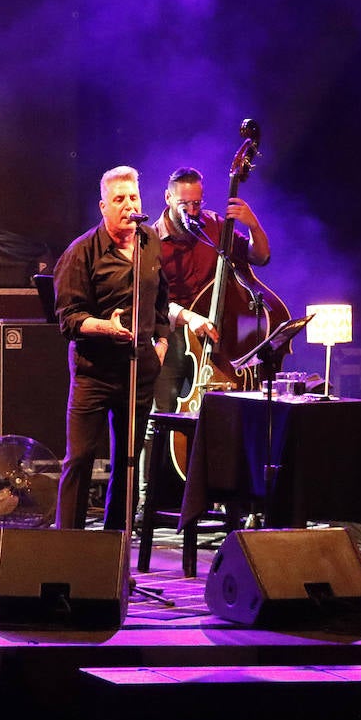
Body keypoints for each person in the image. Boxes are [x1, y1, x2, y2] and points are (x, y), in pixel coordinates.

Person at [52, 165, 173, 531]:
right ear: (103, 206)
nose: (127, 205)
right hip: (94, 373)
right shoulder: (81, 253)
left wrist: (163, 341)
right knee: (81, 457)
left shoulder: (150, 240)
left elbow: (161, 299)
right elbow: (68, 319)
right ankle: (66, 548)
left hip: (139, 371)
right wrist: (106, 327)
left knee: (129, 461)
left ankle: (114, 552)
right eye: (118, 199)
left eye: (132, 197)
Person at [141, 166, 270, 496]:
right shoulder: (152, 238)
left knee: (224, 412)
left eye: (197, 203)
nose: (193, 211)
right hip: (171, 334)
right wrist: (187, 316)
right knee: (161, 412)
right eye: (185, 204)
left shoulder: (214, 226)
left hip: (213, 336)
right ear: (168, 198)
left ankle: (217, 492)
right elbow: (151, 300)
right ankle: (148, 496)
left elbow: (260, 256)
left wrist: (252, 223)